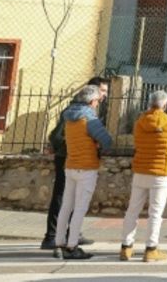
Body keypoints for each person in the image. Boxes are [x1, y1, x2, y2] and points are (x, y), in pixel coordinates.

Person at [117, 89, 167, 262]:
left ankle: (126, 247)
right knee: (155, 212)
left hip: (141, 170)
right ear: (165, 104)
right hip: (160, 172)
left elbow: (137, 140)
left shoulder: (140, 122)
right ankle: (151, 249)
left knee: (132, 209)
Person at [42, 75, 107, 252]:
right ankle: (52, 236)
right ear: (92, 92)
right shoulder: (75, 110)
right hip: (67, 156)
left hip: (72, 157)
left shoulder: (84, 109)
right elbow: (57, 135)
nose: (104, 95)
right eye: (102, 91)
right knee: (62, 197)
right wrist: (69, 146)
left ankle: (70, 235)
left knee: (70, 199)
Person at [53, 84, 113, 260]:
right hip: (87, 167)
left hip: (71, 165)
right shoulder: (89, 118)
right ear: (92, 101)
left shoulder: (68, 116)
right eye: (97, 101)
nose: (98, 104)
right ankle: (72, 246)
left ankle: (59, 243)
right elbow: (107, 141)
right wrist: (97, 144)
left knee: (66, 206)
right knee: (80, 208)